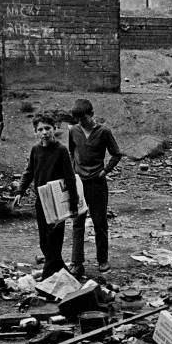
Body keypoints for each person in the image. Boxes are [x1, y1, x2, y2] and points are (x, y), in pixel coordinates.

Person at [13, 112, 78, 278]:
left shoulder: (61, 150)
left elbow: (70, 178)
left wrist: (73, 202)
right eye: (40, 129)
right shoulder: (35, 150)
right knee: (44, 239)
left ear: (54, 129)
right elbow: (29, 172)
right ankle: (60, 269)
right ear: (35, 132)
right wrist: (20, 191)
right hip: (41, 200)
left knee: (55, 238)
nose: (44, 132)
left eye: (47, 128)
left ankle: (48, 275)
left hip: (58, 201)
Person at [68, 98, 122, 276]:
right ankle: (76, 262)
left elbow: (116, 154)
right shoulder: (73, 131)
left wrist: (105, 171)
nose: (81, 122)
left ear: (91, 114)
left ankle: (102, 260)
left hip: (97, 184)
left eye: (84, 118)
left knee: (100, 223)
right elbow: (71, 152)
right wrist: (72, 174)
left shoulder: (104, 132)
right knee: (78, 223)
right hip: (79, 184)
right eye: (78, 119)